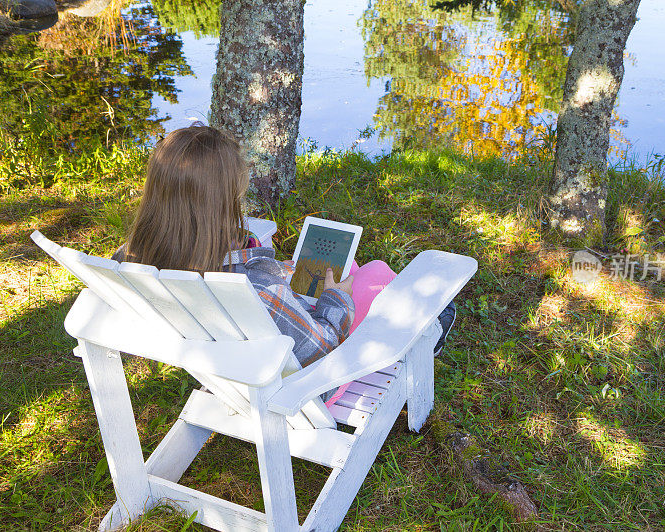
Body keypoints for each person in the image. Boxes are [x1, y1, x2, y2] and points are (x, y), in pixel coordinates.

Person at [115, 123, 454, 406]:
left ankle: (403, 312)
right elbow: (321, 348)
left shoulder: (133, 261)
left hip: (225, 371)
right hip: (304, 387)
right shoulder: (257, 286)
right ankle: (429, 329)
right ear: (225, 202)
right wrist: (336, 301)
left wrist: (276, 272)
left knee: (340, 272)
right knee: (372, 274)